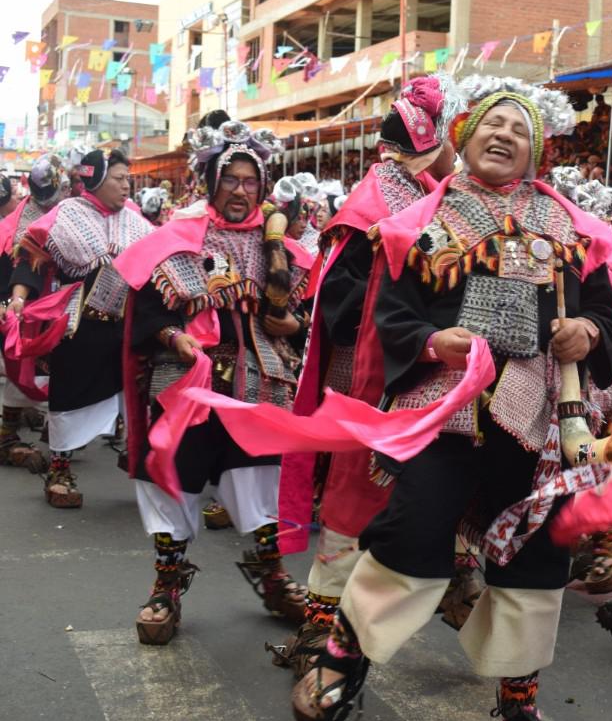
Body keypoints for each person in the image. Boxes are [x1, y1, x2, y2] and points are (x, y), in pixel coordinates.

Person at [290, 77, 612, 721]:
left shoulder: (572, 228)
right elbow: (390, 315)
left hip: (538, 417)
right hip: (447, 407)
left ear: (537, 152)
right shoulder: (417, 223)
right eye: (494, 124)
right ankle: (342, 654)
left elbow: (609, 313)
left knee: (536, 555)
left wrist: (587, 331)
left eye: (520, 130)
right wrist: (430, 340)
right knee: (411, 530)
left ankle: (518, 696)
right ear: (464, 135)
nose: (505, 136)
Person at [270, 75, 463, 677]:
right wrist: (409, 322)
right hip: (374, 377)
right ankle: (320, 637)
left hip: (426, 369)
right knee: (356, 504)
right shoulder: (373, 206)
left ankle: (461, 601)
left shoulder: (427, 193)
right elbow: (341, 303)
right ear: (434, 138)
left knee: (440, 497)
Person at [112, 119, 312, 646]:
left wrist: (294, 324)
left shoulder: (283, 249)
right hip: (185, 384)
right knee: (172, 481)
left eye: (251, 181)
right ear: (210, 182)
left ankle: (272, 577)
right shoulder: (177, 237)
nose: (241, 190)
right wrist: (176, 338)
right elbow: (148, 313)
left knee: (261, 480)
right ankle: (166, 587)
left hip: (260, 384)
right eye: (232, 180)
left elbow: (310, 318)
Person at [7, 149, 154, 507]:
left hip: (126, 325)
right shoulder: (67, 214)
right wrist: (18, 296)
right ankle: (59, 469)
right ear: (98, 179)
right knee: (70, 398)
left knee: (135, 396)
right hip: (79, 324)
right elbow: (31, 255)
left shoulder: (137, 221)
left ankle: (136, 457)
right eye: (118, 178)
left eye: (127, 179)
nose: (125, 186)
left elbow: (158, 262)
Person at [0, 157, 63, 466]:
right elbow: (23, 263)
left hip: (59, 302)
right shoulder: (19, 224)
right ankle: (10, 433)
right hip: (27, 304)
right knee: (23, 366)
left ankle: (57, 433)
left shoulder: (70, 210)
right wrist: (14, 301)